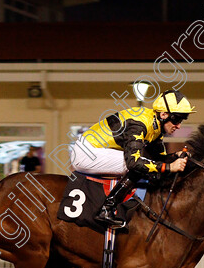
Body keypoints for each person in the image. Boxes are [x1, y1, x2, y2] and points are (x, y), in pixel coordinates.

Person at [70, 90, 194, 229]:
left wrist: (174, 157)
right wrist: (170, 167)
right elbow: (134, 163)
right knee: (139, 165)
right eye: (177, 119)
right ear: (163, 114)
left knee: (147, 162)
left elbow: (158, 158)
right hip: (86, 152)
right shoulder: (139, 124)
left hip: (95, 149)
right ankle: (106, 208)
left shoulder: (156, 126)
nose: (179, 126)